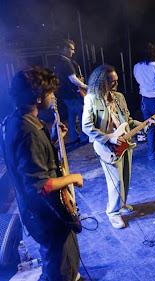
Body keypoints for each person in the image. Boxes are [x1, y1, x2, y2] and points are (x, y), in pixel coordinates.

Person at [1, 66, 84, 281]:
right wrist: (72, 178)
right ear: (38, 98)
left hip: (36, 210)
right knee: (58, 264)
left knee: (62, 258)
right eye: (50, 93)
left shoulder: (15, 120)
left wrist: (54, 140)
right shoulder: (28, 132)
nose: (53, 97)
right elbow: (41, 185)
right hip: (45, 213)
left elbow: (30, 162)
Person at [82, 65, 153, 229]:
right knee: (115, 181)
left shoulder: (119, 97)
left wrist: (144, 124)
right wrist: (109, 138)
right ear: (101, 82)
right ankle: (113, 213)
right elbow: (87, 126)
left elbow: (127, 121)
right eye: (110, 82)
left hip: (125, 143)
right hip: (107, 147)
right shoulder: (91, 98)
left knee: (126, 178)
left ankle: (122, 204)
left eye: (116, 82)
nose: (114, 85)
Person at [54, 39, 88, 144]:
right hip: (71, 94)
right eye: (72, 49)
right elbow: (73, 79)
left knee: (72, 115)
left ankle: (73, 137)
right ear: (65, 49)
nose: (73, 52)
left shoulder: (59, 62)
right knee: (82, 113)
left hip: (65, 95)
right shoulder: (66, 62)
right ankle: (83, 137)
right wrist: (85, 86)